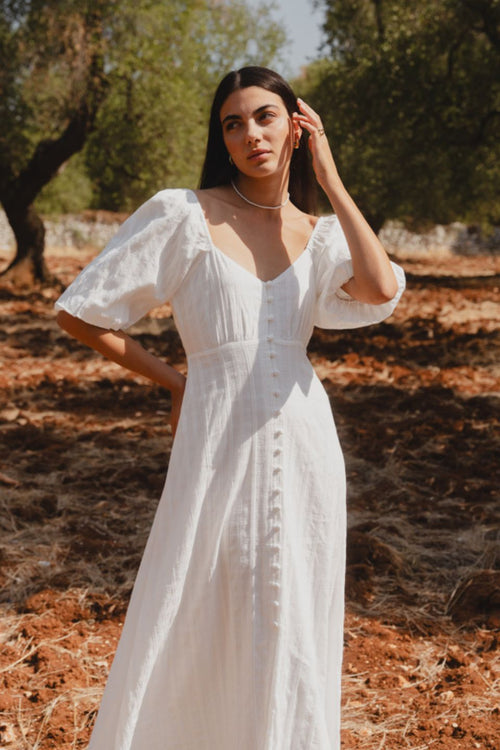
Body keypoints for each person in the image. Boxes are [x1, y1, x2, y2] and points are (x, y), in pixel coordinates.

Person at [55, 66, 405, 750]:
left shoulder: (321, 233)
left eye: (266, 117)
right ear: (222, 137)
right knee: (196, 601)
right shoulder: (182, 214)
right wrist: (178, 382)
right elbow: (80, 312)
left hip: (304, 444)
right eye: (233, 123)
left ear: (296, 127)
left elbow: (381, 286)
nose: (250, 134)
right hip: (214, 439)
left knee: (291, 611)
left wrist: (330, 178)